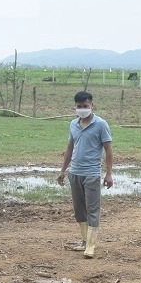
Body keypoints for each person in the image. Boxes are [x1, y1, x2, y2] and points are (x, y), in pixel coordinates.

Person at [56, 91, 113, 258]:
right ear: (75, 107)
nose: (82, 109)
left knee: (92, 209)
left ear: (92, 106)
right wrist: (63, 170)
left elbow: (108, 150)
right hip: (75, 173)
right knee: (79, 211)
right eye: (79, 107)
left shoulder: (101, 124)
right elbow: (69, 148)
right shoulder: (73, 124)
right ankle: (84, 241)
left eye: (85, 106)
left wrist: (109, 173)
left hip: (92, 174)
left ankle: (91, 246)